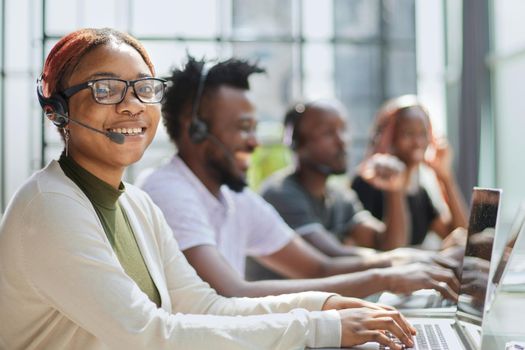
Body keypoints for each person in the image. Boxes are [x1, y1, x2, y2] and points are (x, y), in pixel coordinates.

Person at [0, 28, 417, 350]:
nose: (131, 104)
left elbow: (206, 306)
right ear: (57, 111)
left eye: (144, 88)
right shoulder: (50, 206)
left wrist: (320, 305)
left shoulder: (137, 205)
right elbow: (151, 335)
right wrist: (319, 326)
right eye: (104, 89)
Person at [139, 56, 459, 303]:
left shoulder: (233, 196)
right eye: (243, 128)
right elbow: (230, 294)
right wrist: (388, 278)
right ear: (195, 129)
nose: (255, 142)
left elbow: (318, 267)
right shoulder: (170, 191)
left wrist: (425, 263)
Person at [261, 100, 410, 253]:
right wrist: (405, 260)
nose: (342, 141)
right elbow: (329, 260)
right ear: (296, 143)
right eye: (327, 133)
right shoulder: (281, 194)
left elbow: (387, 245)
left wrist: (394, 189)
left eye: (343, 130)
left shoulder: (339, 197)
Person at [351, 95, 468, 247]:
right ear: (388, 138)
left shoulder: (419, 192)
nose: (418, 142)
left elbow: (461, 235)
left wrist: (446, 177)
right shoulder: (367, 185)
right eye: (408, 134)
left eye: (423, 134)